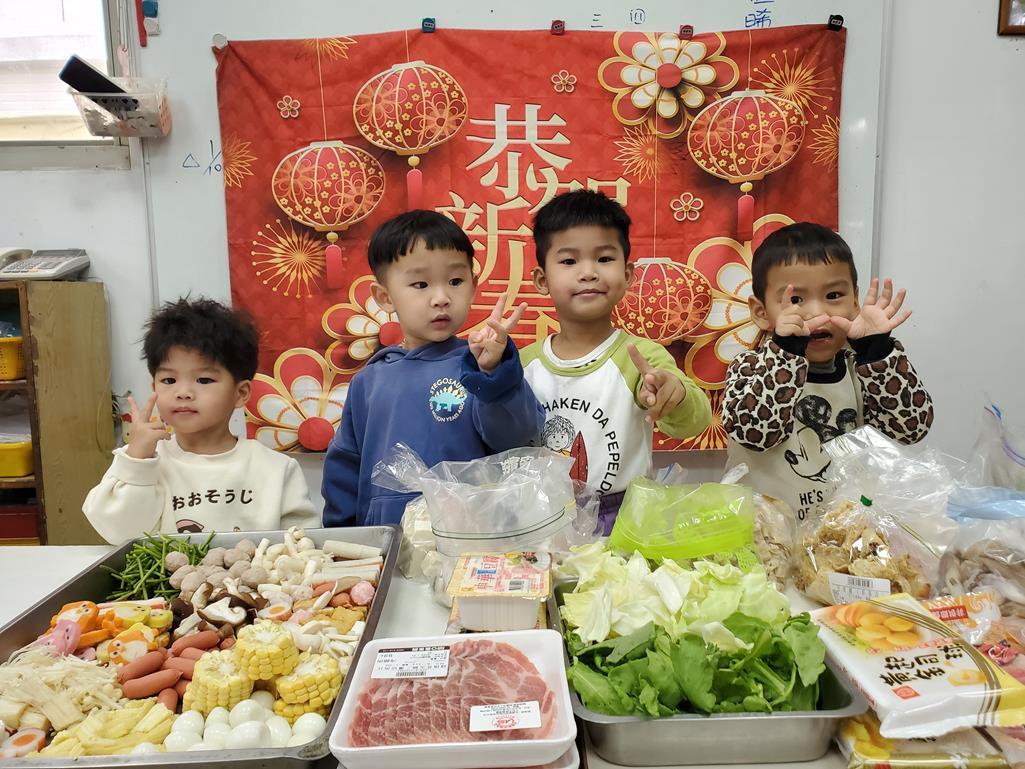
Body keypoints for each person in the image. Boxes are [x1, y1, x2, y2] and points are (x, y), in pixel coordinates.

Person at [322, 210, 544, 527]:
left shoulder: (480, 366)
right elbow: (344, 467)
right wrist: (341, 538)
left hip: (468, 540)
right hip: (386, 541)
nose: (441, 298)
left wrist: (493, 375)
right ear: (385, 297)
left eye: (455, 281)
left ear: (473, 285)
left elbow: (517, 436)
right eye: (421, 284)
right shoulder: (369, 381)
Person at [520, 190, 711, 533]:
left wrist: (675, 395)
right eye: (569, 261)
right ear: (542, 280)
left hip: (624, 522)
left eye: (604, 258)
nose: (588, 272)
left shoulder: (641, 357)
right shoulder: (523, 364)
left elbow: (694, 422)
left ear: (628, 275)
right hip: (541, 520)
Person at [722, 222, 934, 521]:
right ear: (761, 312)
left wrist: (877, 352)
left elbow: (911, 429)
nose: (818, 313)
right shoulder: (749, 368)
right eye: (795, 300)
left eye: (833, 295)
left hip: (843, 532)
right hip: (766, 533)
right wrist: (786, 351)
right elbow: (755, 434)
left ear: (855, 301)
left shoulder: (863, 369)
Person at [83, 298, 318, 544]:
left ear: (241, 393)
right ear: (154, 387)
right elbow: (119, 534)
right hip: (167, 571)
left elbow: (303, 545)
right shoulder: (143, 461)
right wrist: (137, 460)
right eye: (169, 380)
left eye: (204, 380)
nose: (183, 392)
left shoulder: (276, 469)